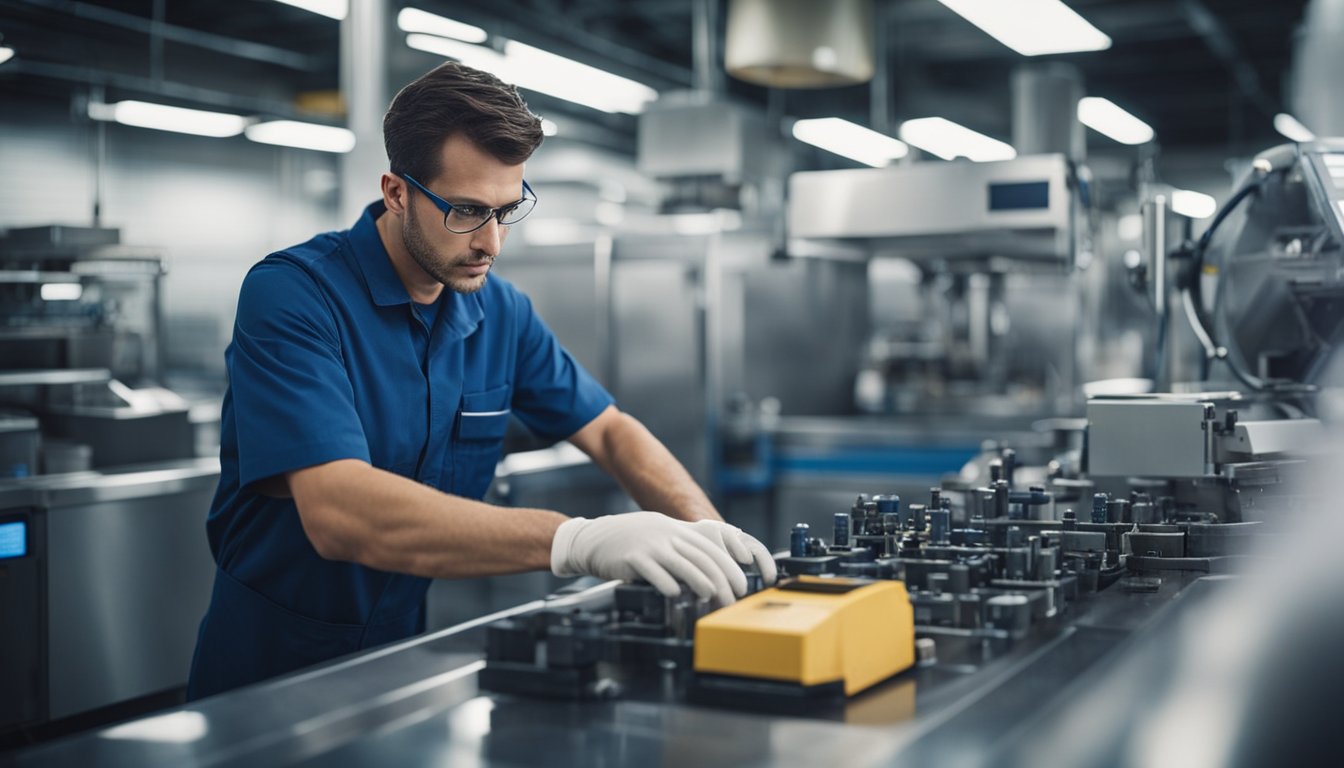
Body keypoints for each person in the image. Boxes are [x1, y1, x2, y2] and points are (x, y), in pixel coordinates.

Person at [186, 62, 776, 700]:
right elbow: (340, 512)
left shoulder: (500, 311)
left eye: (507, 209)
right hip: (267, 669)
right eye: (467, 211)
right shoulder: (294, 296)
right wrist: (574, 540)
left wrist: (708, 541)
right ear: (396, 192)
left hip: (400, 654)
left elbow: (608, 432)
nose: (491, 242)